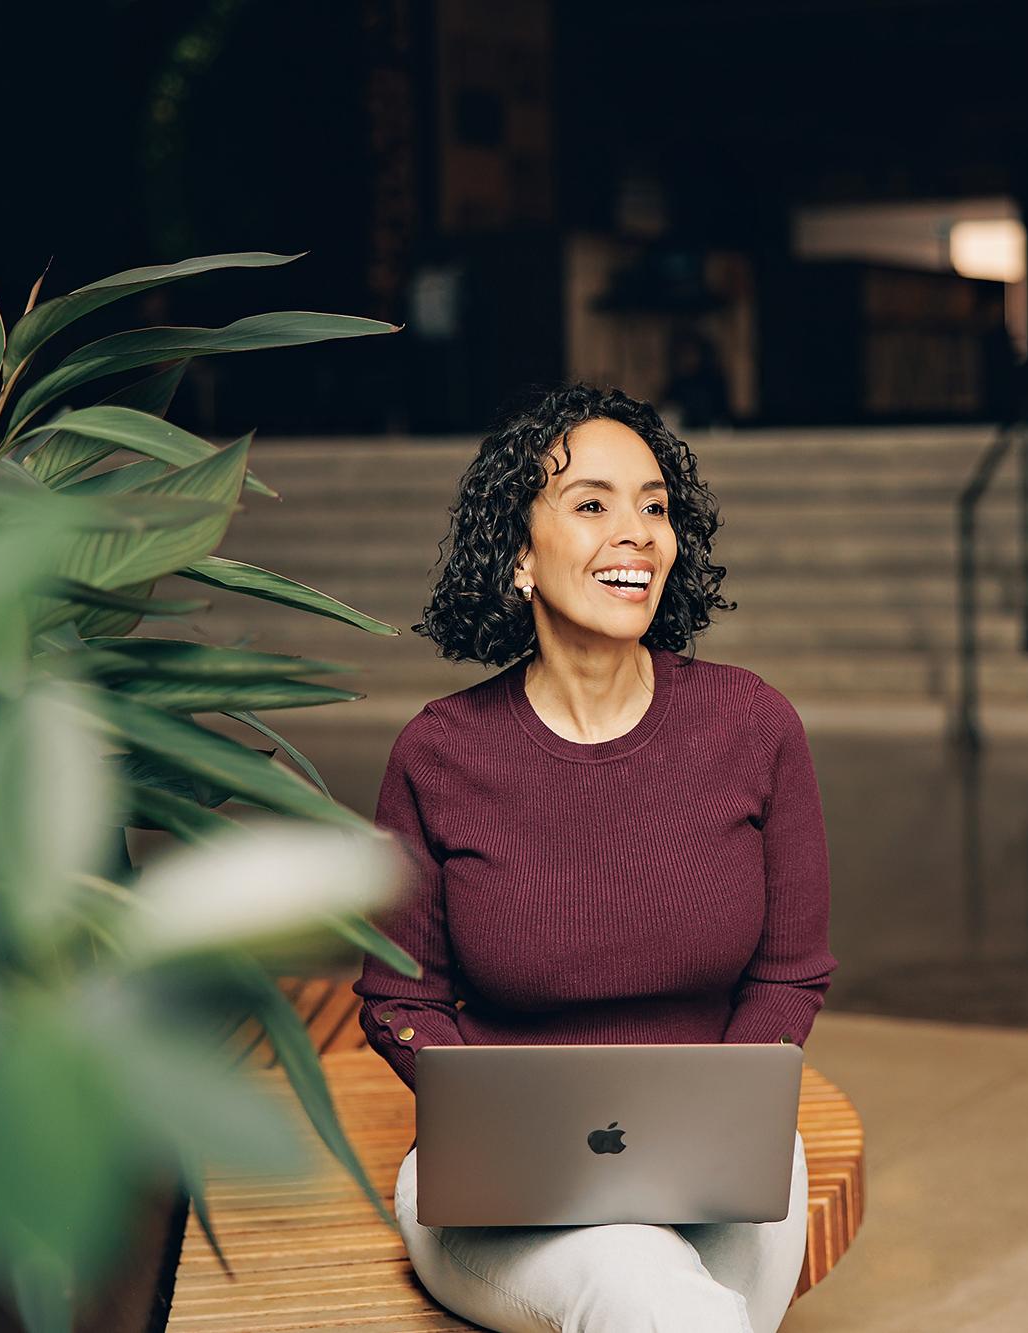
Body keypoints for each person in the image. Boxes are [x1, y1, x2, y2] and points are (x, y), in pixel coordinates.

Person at [353, 382, 839, 1332]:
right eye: (592, 504)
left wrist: (703, 1132)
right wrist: (510, 1125)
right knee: (650, 1294)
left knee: (661, 1302)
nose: (638, 533)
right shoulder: (439, 752)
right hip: (503, 1185)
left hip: (725, 1167)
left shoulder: (754, 726)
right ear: (521, 557)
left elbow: (792, 972)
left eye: (655, 506)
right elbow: (398, 997)